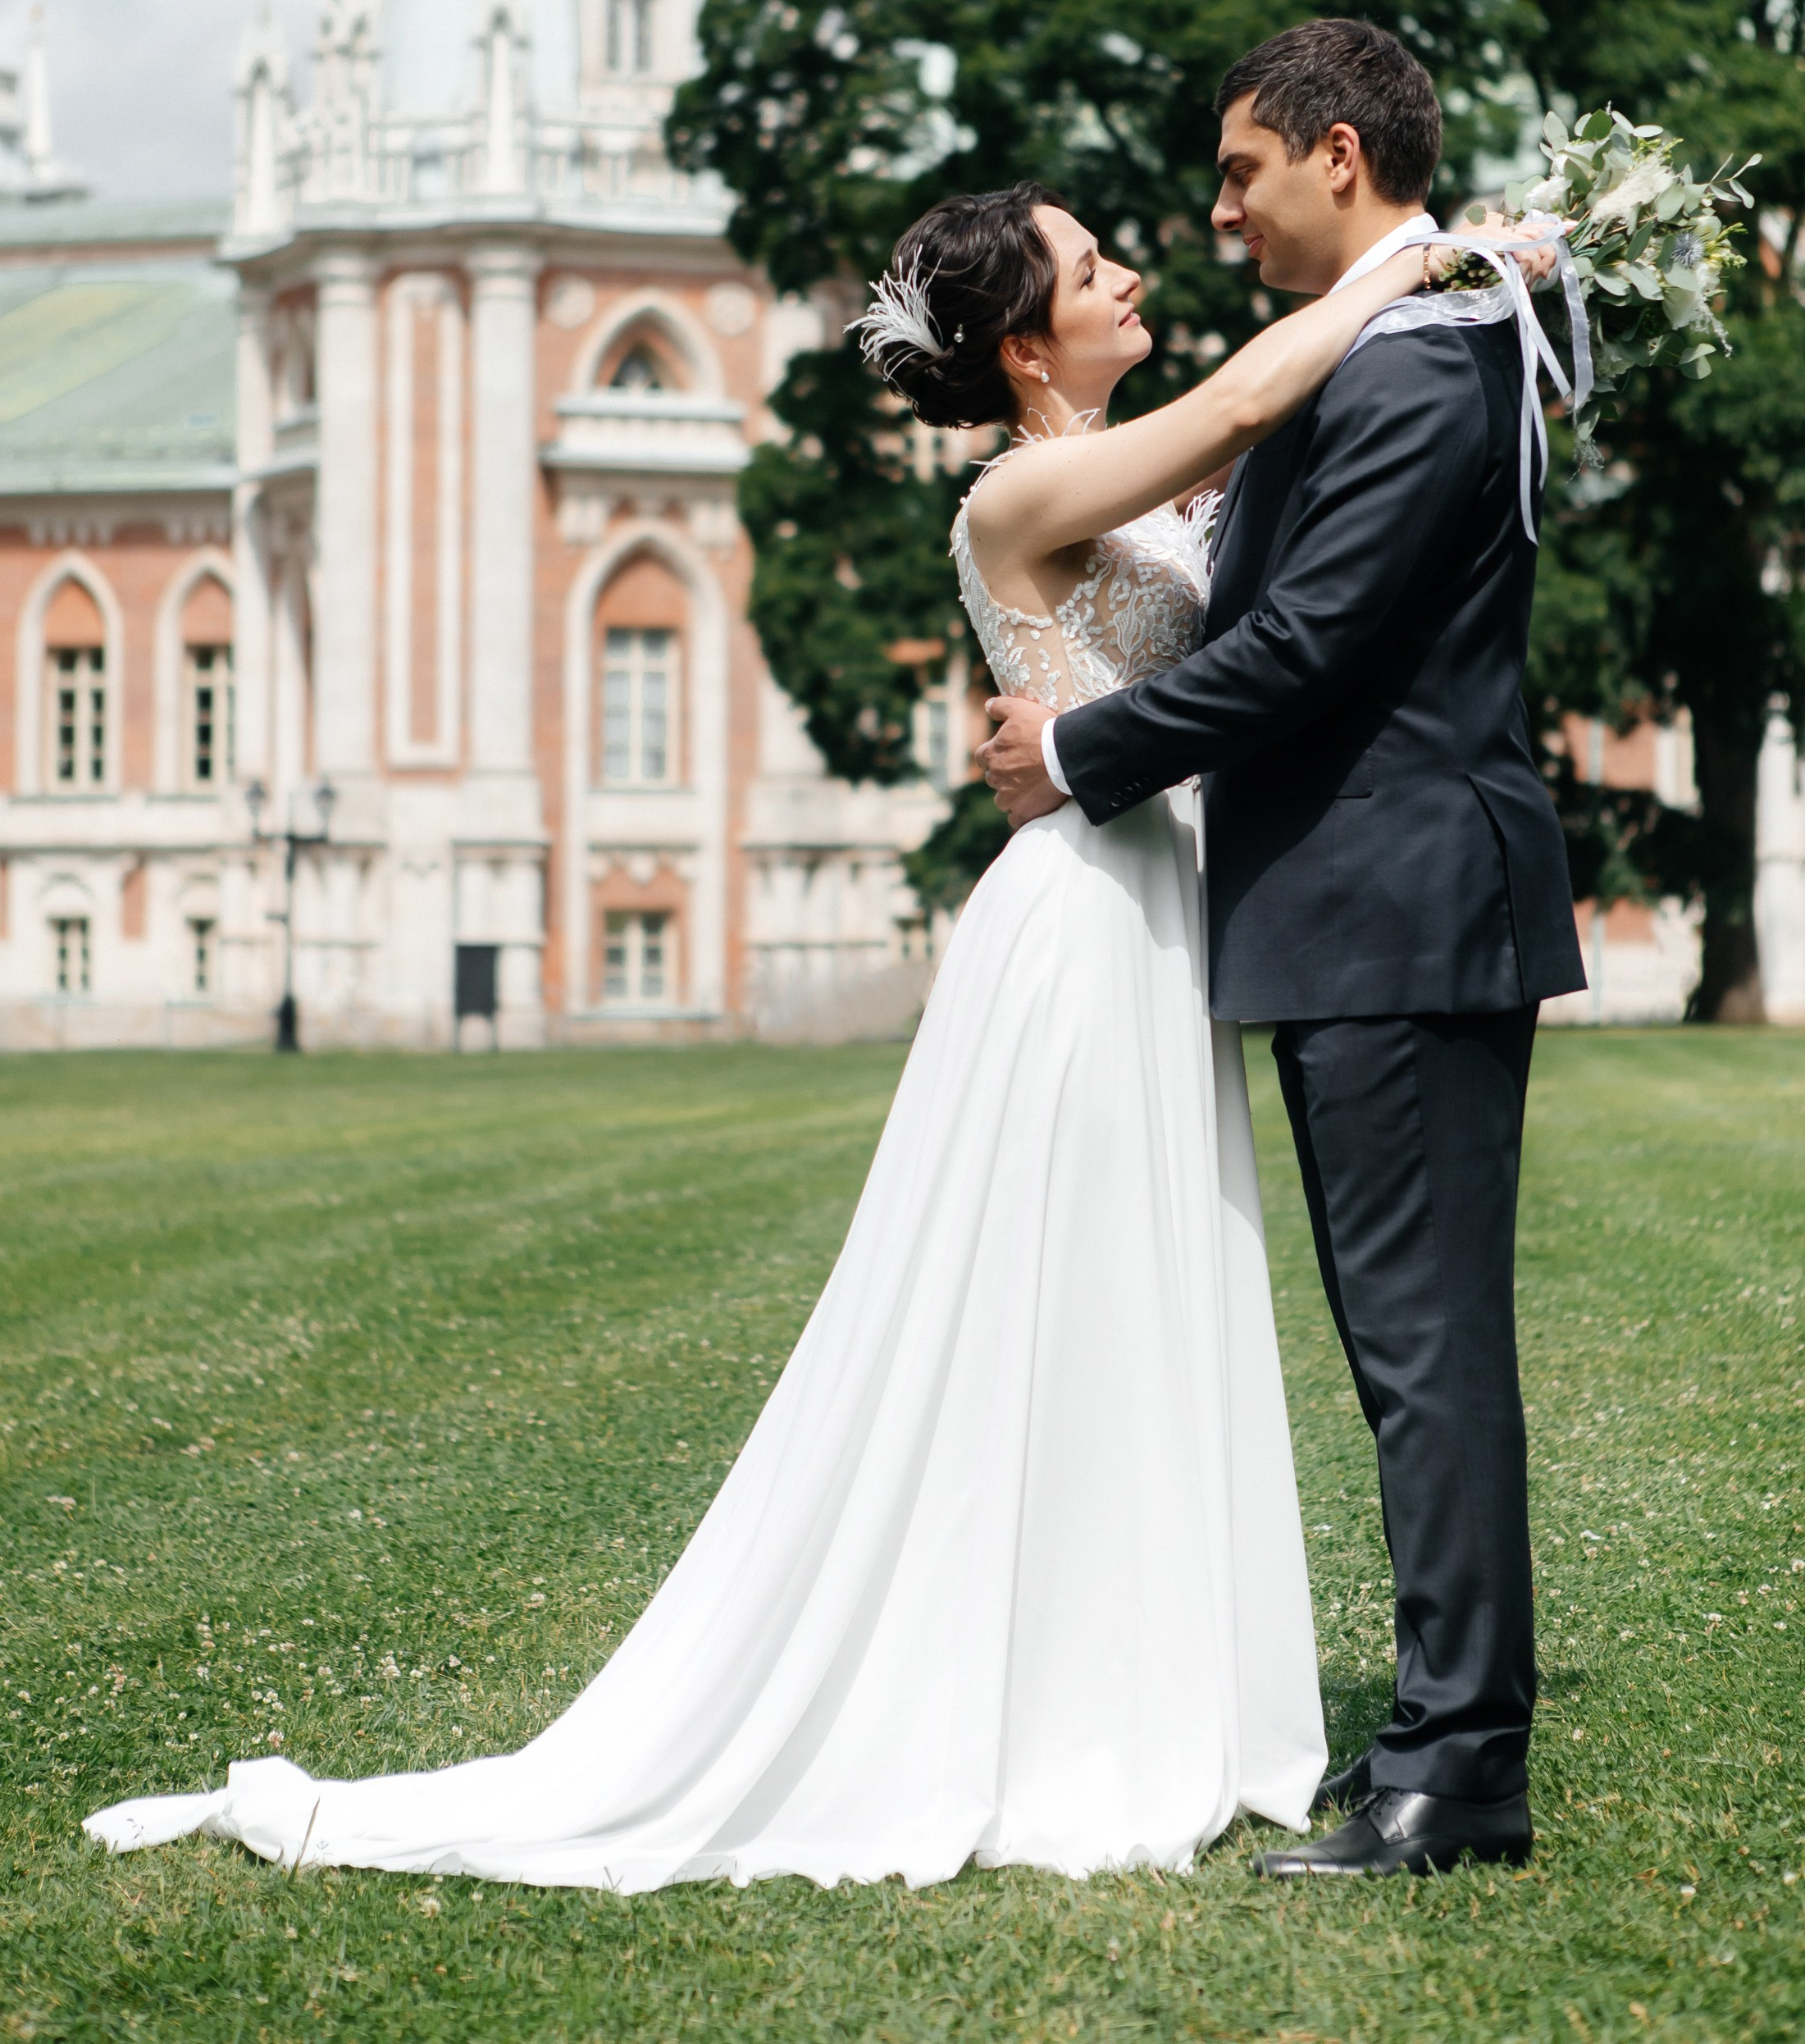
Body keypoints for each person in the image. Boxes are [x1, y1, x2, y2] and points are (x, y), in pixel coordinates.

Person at [85, 154, 1509, 1892]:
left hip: (1161, 922)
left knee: (1147, 1292)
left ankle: (1144, 1688)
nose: (1134, 269)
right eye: (1090, 265)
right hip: (1077, 933)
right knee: (1043, 1307)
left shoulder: (1124, 484)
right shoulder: (1018, 493)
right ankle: (1031, 1706)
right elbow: (1246, 400)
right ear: (1019, 343)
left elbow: (1269, 557)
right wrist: (1434, 257)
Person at [978, 17, 1585, 1879]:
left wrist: (1075, 749)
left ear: (1338, 154)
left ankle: (1460, 1764)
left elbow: (1305, 644)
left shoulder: (1417, 367)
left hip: (1398, 910)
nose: (1219, 209)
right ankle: (1436, 1729)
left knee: (1423, 1348)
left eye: (1242, 170)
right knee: (1407, 1341)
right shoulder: (1401, 339)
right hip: (1358, 916)